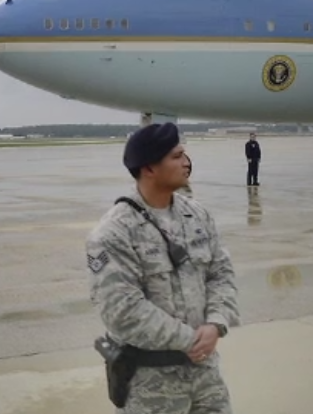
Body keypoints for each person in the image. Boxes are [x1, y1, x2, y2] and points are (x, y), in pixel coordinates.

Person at [85, 122, 239, 412]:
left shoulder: (197, 215)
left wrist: (216, 323)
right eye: (176, 156)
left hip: (206, 378)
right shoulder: (114, 233)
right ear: (149, 168)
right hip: (151, 385)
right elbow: (122, 311)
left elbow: (221, 274)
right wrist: (191, 340)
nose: (186, 162)